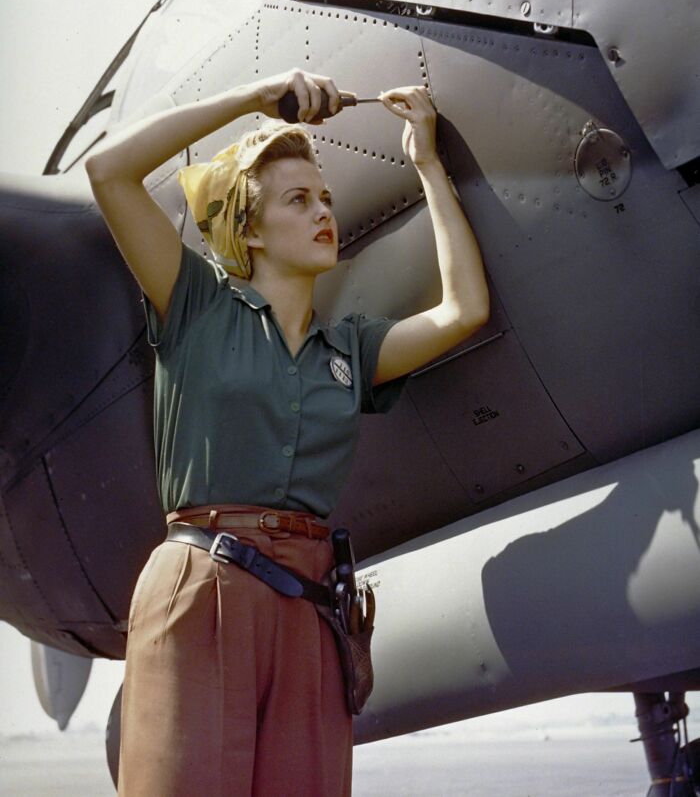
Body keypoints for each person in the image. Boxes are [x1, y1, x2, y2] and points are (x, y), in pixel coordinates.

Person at [86, 67, 489, 797]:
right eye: (298, 200)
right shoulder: (195, 303)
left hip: (311, 607)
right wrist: (250, 97)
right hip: (204, 585)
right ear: (248, 226)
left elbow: (464, 310)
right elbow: (109, 171)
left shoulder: (350, 351)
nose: (322, 212)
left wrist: (427, 163)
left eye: (326, 197)